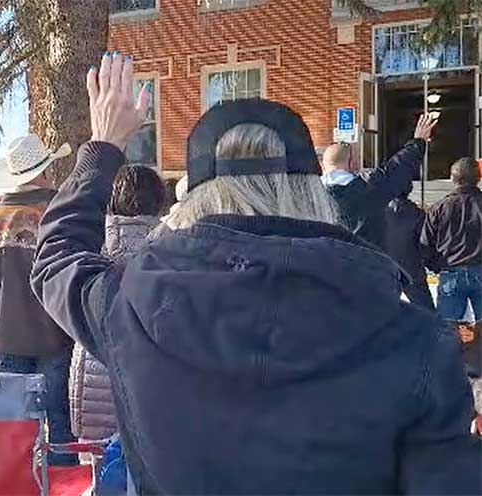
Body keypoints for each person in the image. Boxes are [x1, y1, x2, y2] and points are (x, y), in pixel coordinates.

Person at [31, 53, 481, 493]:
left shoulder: (133, 305)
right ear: (315, 195)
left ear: (194, 202)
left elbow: (56, 256)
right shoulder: (413, 337)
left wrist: (103, 149)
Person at [0, 133, 77, 466]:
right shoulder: (61, 212)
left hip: (7, 338)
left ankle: (20, 483)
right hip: (56, 334)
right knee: (60, 419)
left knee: (17, 424)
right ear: (45, 171)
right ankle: (61, 485)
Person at [70, 165, 164, 446]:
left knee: (95, 474)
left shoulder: (91, 240)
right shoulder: (170, 244)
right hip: (147, 383)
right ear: (159, 200)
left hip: (92, 373)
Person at [321, 115, 436, 249]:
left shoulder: (310, 194)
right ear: (352, 163)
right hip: (365, 262)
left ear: (323, 164)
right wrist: (418, 141)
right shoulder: (369, 190)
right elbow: (397, 168)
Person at [421, 157, 482, 321]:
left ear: (452, 179)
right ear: (478, 178)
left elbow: (425, 245)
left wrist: (437, 267)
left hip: (450, 272)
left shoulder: (439, 208)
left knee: (448, 330)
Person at [383, 182, 435, 310]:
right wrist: (430, 263)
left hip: (384, 268)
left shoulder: (376, 211)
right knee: (426, 311)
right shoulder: (417, 214)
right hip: (412, 269)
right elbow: (425, 242)